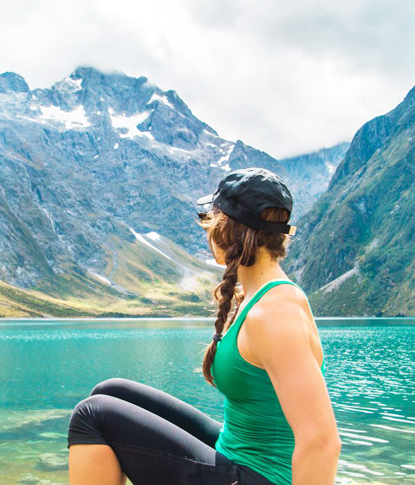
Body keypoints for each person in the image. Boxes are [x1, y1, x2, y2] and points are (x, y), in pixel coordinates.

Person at [67, 167, 340, 485]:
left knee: (92, 416)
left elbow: (322, 442)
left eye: (210, 220)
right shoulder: (261, 296)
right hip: (238, 456)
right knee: (111, 392)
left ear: (224, 229)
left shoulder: (273, 313)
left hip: (259, 478)